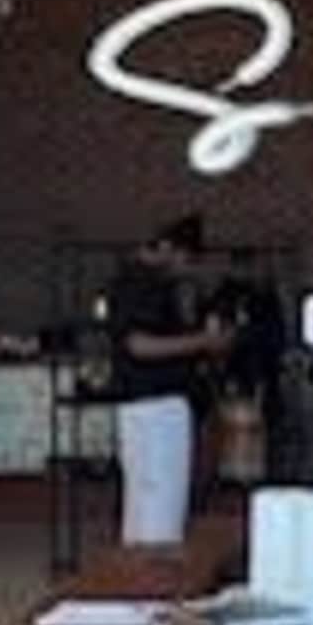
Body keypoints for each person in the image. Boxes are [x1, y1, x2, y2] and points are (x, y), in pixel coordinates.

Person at [106, 213, 227, 546]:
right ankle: (152, 582)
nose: (186, 270)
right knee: (161, 507)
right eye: (186, 260)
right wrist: (203, 342)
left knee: (145, 504)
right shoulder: (142, 283)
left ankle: (139, 581)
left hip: (148, 406)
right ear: (168, 248)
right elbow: (138, 344)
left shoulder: (143, 282)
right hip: (156, 406)